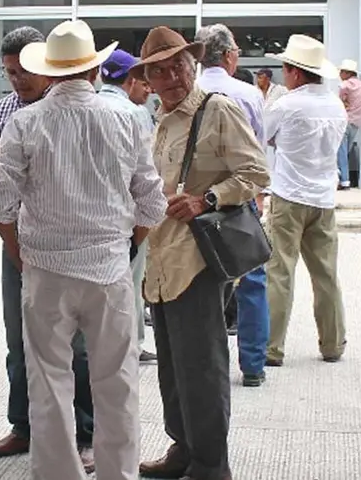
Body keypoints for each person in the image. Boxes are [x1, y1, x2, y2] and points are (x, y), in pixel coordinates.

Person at [0, 19, 167, 480]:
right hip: (107, 268)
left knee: (48, 382)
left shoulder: (26, 121)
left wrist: (18, 252)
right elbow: (151, 201)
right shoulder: (128, 116)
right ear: (94, 70)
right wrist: (127, 247)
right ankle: (117, 474)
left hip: (45, 269)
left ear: (49, 72)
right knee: (117, 382)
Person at [132, 27, 269, 480]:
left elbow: (255, 173)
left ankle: (212, 465)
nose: (172, 76)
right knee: (172, 367)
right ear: (147, 79)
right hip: (160, 258)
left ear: (193, 65)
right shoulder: (159, 119)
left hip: (198, 259)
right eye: (160, 70)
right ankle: (184, 449)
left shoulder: (217, 109)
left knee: (203, 369)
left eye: (179, 66)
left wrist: (207, 200)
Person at [0, 26, 98, 469]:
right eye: (9, 72)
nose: (17, 81)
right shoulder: (3, 111)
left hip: (67, 246)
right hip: (17, 242)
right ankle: (22, 426)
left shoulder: (70, 111)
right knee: (19, 339)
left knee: (75, 345)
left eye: (24, 71)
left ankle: (85, 433)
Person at [194, 24, 272, 388]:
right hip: (238, 198)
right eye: (237, 51)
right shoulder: (248, 93)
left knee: (201, 283)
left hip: (195, 202)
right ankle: (253, 365)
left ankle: (209, 367)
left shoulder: (190, 92)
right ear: (227, 56)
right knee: (252, 278)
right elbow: (257, 147)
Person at [265, 35, 348, 367]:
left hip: (288, 197)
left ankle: (272, 348)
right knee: (326, 275)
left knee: (280, 272)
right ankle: (333, 344)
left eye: (285, 69)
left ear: (296, 73)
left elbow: (263, 136)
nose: (284, 75)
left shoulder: (286, 104)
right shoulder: (336, 105)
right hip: (323, 199)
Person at [96, 48, 157, 364]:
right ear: (130, 81)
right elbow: (146, 177)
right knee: (130, 285)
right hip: (127, 217)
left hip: (94, 216)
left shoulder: (90, 106)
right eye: (144, 82)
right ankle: (130, 347)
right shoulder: (135, 115)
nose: (149, 89)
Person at [337, 59, 361, 189]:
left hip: (345, 121)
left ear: (346, 73)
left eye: (341, 72)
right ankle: (343, 179)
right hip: (356, 123)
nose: (339, 74)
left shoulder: (345, 85)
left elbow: (339, 103)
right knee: (346, 152)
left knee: (340, 152)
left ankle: (344, 181)